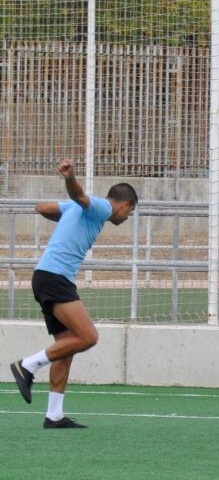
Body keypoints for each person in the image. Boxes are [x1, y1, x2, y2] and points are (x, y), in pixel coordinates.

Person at [9, 159, 138, 429]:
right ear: (124, 205)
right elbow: (78, 194)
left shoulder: (76, 210)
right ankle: (28, 365)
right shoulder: (102, 207)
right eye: (129, 213)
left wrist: (67, 213)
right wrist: (70, 179)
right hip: (55, 278)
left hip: (47, 276)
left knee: (65, 347)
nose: (126, 219)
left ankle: (54, 415)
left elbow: (42, 208)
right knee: (88, 336)